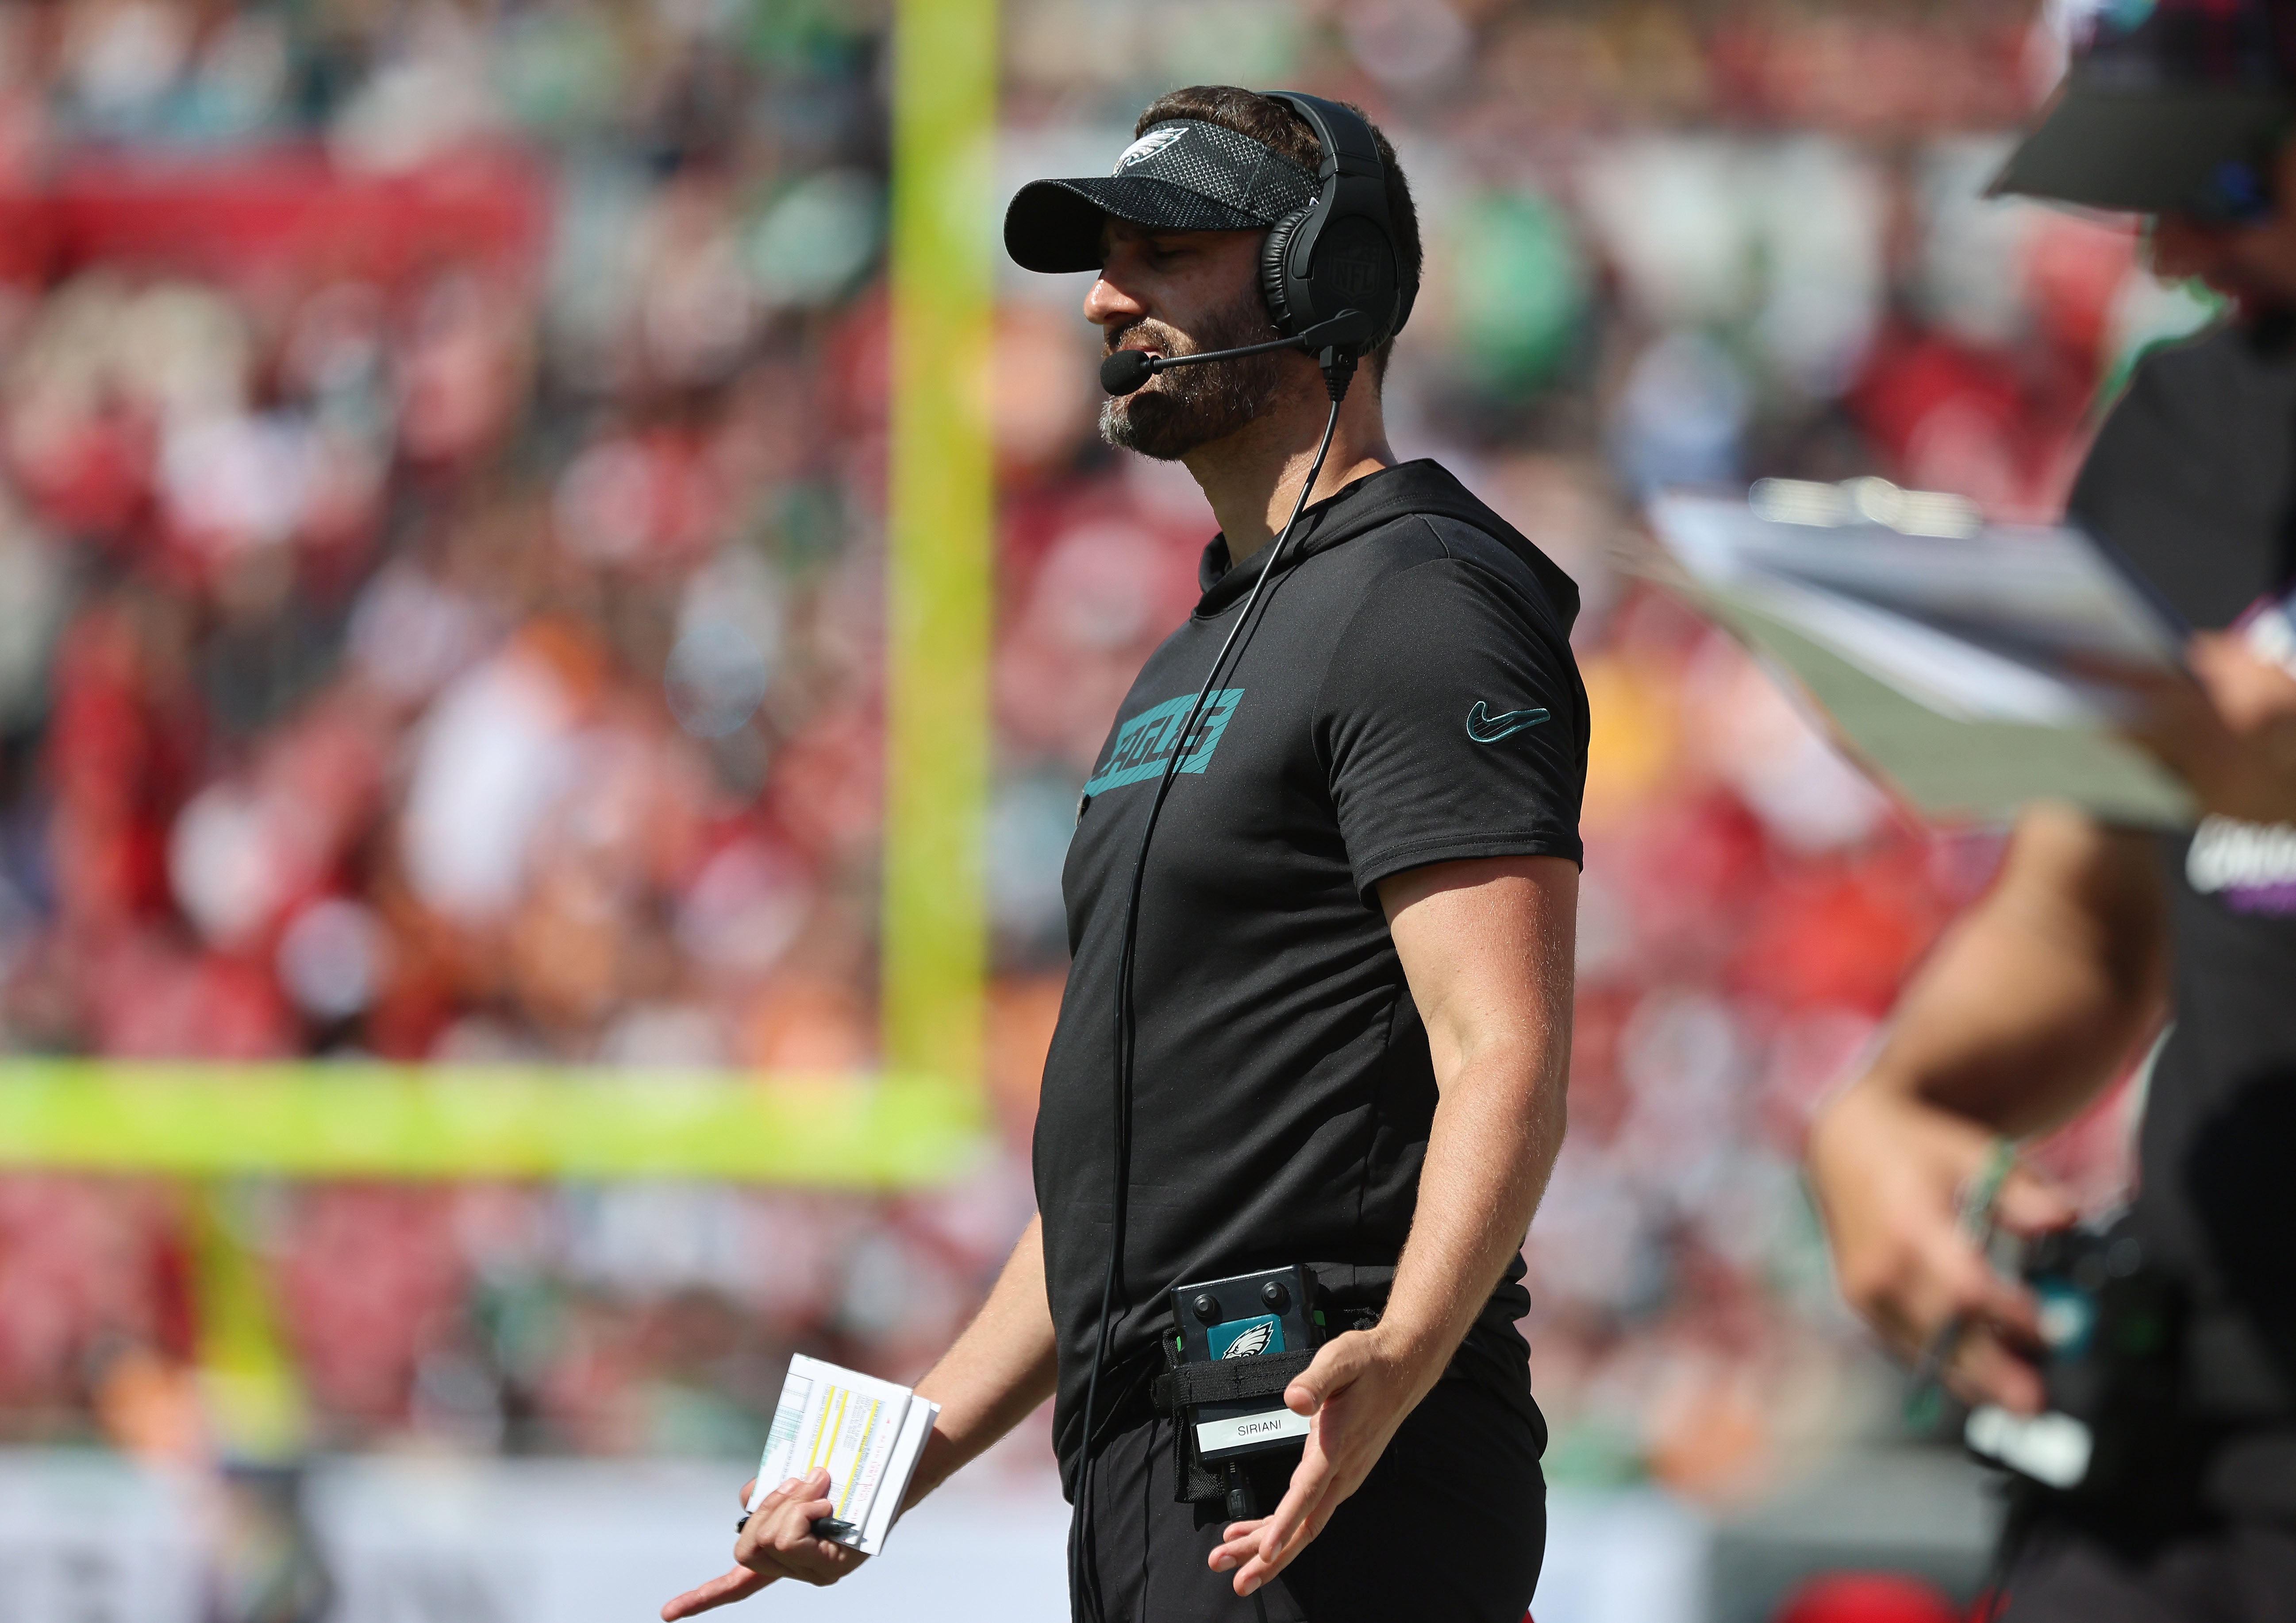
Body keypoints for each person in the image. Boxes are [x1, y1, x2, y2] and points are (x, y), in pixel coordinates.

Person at [661, 85, 1586, 1623]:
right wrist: (891, 1463)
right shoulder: (1190, 660)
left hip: (1327, 1448)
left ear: (1323, 279)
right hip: (1174, 1467)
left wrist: (1408, 1347)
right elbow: (1121, 1195)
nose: (1104, 296)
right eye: (1107, 256)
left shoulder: (1425, 602)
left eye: (1166, 250)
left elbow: (1506, 1044)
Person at [1807, 4, 2296, 1616]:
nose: (2165, 247)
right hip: (2197, 1447)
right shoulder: (2183, 431)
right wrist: (1903, 1111)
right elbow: (2093, 908)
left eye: (2221, 179)